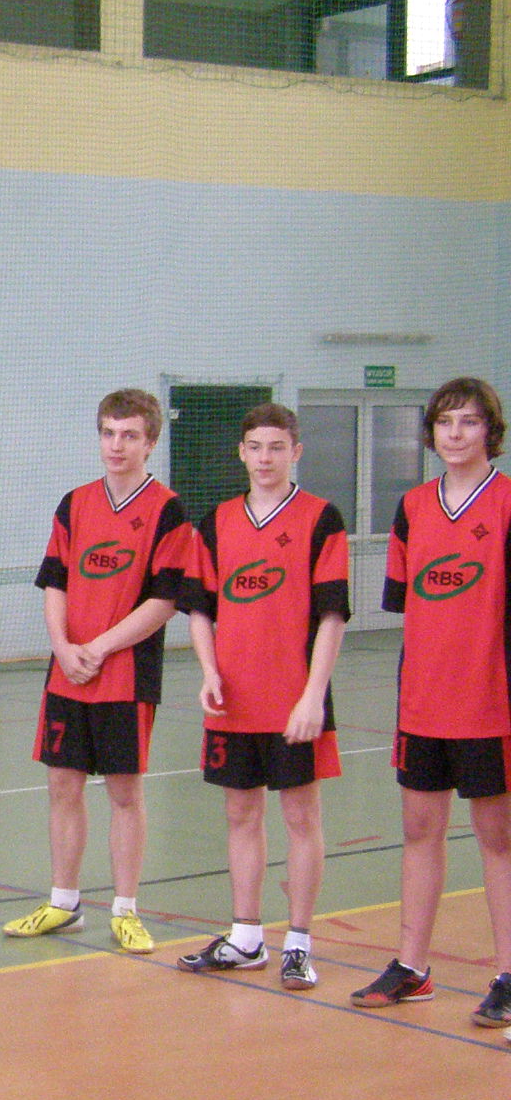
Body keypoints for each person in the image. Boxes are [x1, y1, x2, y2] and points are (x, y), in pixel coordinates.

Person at [4, 388, 189, 955]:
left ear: (150, 443)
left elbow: (165, 600)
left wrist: (99, 648)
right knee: (62, 785)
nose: (116, 445)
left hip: (127, 674)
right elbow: (54, 582)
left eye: (129, 435)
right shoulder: (76, 503)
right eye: (108, 433)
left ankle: (126, 910)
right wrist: (62, 647)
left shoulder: (168, 510)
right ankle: (63, 903)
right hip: (68, 672)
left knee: (125, 792)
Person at [353, 377, 511, 1027]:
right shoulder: (413, 507)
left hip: (490, 702)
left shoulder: (506, 502)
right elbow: (405, 602)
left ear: (489, 432)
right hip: (421, 701)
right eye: (445, 421)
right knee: (419, 831)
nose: (455, 433)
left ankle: (508, 975)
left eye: (469, 422)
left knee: (498, 839)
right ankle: (412, 967)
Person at [176, 404, 348, 988]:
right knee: (240, 813)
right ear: (241, 453)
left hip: (295, 702)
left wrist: (313, 696)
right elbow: (200, 609)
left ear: (295, 452)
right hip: (235, 701)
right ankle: (246, 937)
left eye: (277, 447)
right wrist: (209, 671)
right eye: (255, 447)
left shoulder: (321, 519)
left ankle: (298, 943)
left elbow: (332, 616)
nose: (265, 458)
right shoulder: (216, 522)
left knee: (301, 816)